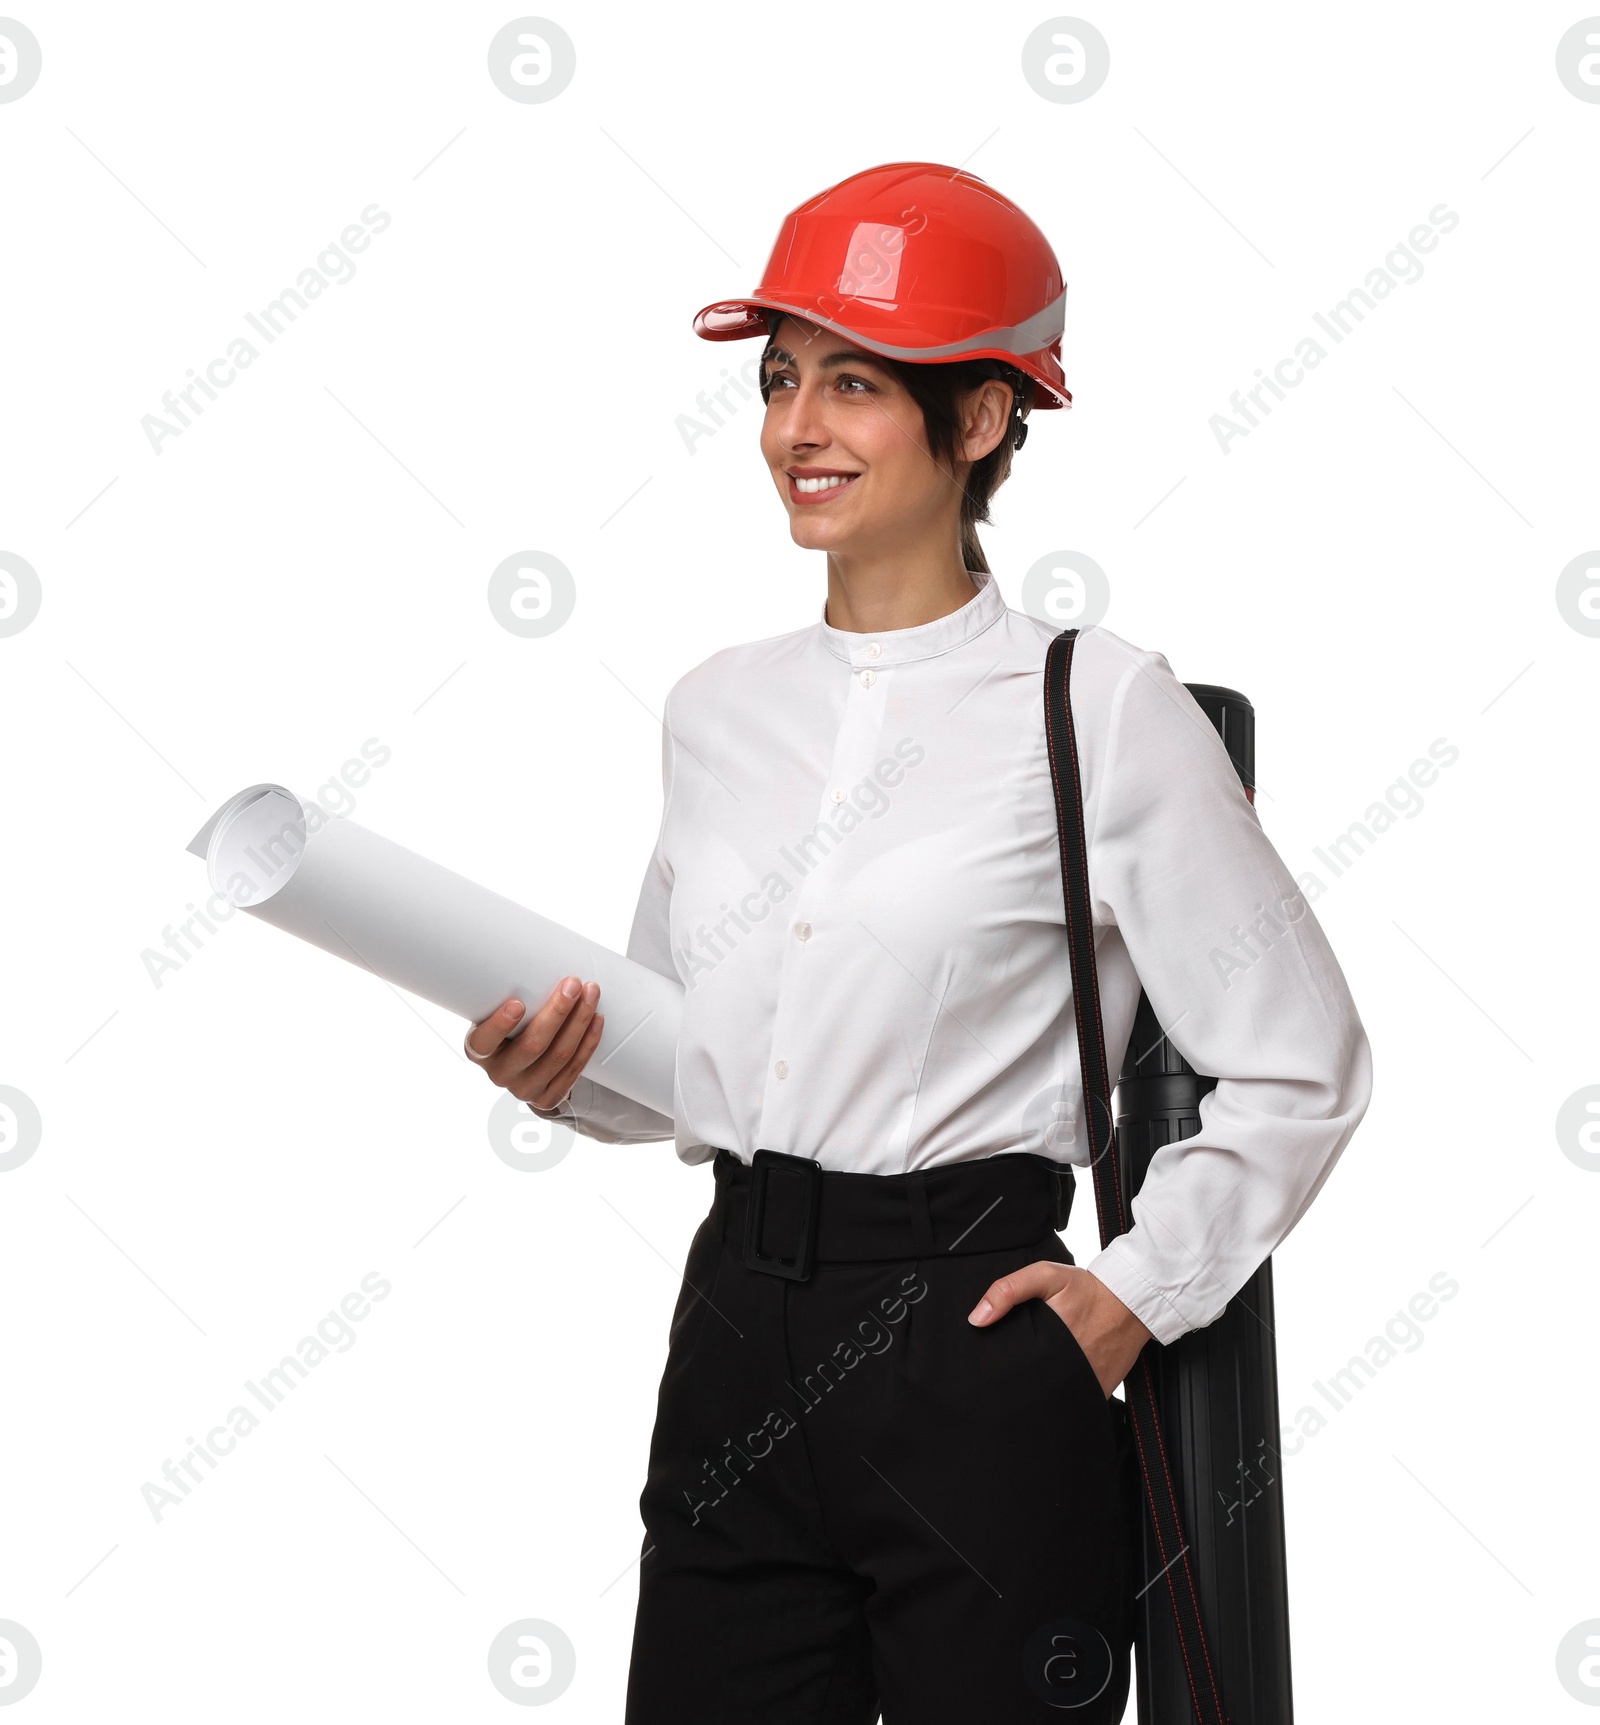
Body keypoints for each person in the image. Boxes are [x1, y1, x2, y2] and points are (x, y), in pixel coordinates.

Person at [464, 163, 1372, 1723]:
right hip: (736, 1324)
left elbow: (1305, 1063)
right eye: (780, 379)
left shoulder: (1095, 705)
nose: (796, 428)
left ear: (983, 422)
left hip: (973, 1340)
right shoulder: (715, 708)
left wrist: (1130, 1294)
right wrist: (569, 1072)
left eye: (857, 384)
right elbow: (695, 1053)